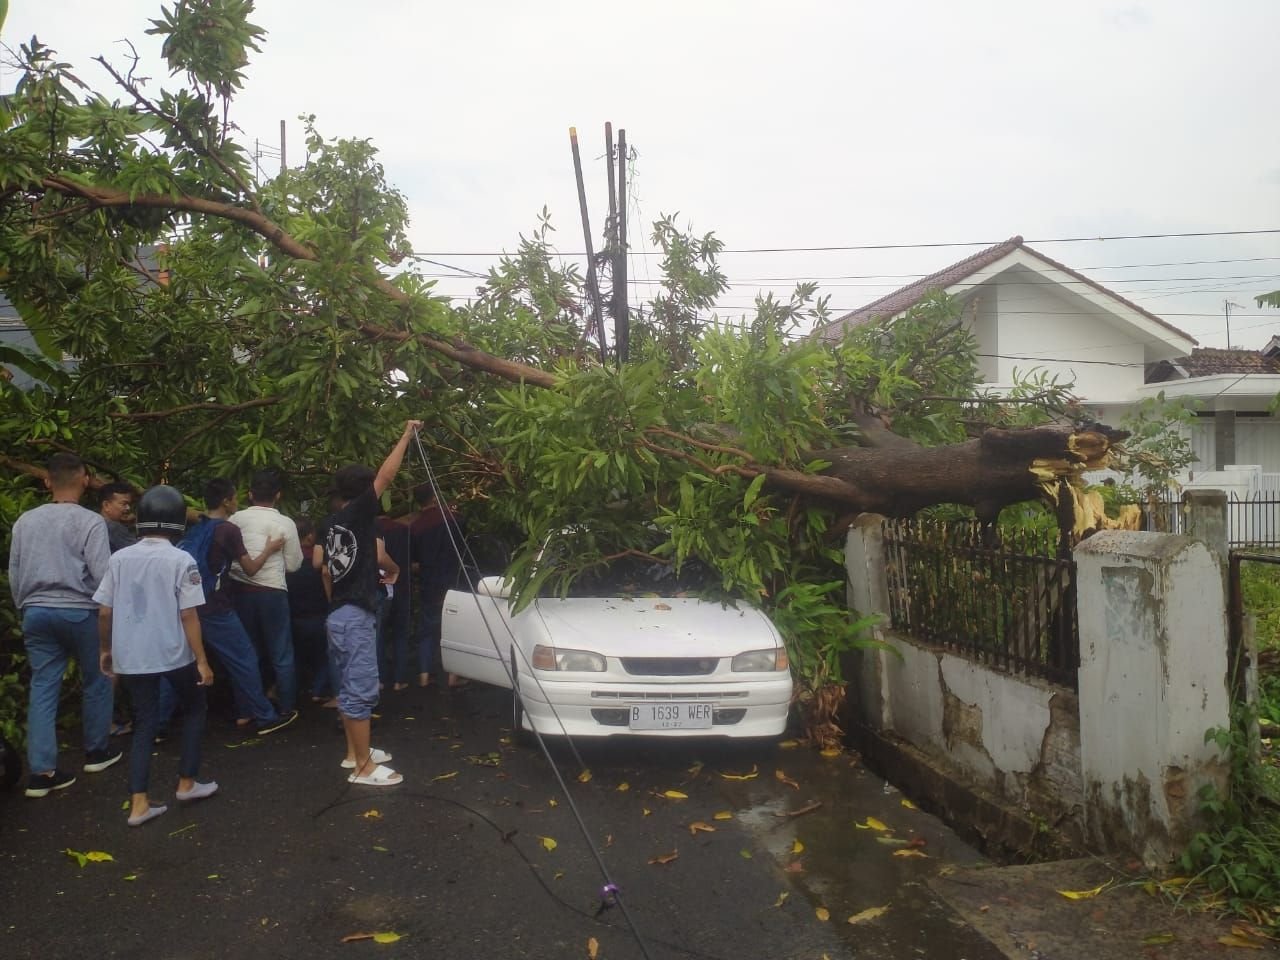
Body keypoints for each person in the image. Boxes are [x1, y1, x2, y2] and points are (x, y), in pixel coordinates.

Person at [95, 485, 217, 827]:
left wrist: (106, 649)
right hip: (174, 655)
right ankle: (187, 783)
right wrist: (203, 661)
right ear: (179, 521)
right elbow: (188, 615)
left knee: (145, 724)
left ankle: (138, 805)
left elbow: (104, 612)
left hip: (131, 657)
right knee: (195, 707)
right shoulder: (181, 560)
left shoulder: (119, 558)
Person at [8, 452, 121, 797]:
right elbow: (103, 573)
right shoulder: (89, 522)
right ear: (85, 481)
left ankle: (42, 774)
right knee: (98, 676)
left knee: (43, 686)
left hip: (35, 612)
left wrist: (24, 606)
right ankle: (96, 752)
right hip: (79, 611)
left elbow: (14, 571)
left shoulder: (25, 521)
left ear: (47, 482)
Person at [318, 419, 421, 786]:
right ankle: (363, 767)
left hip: (339, 615)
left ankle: (353, 754)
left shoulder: (331, 522)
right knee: (361, 690)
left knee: (348, 688)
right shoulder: (360, 514)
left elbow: (327, 571)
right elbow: (387, 475)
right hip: (354, 617)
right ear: (364, 495)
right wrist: (406, 435)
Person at [185, 477, 296, 736]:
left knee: (184, 658)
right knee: (246, 657)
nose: (237, 501)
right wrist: (269, 549)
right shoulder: (229, 529)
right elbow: (251, 568)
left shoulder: (201, 526)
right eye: (234, 498)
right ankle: (268, 715)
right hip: (218, 605)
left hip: (192, 604)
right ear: (226, 501)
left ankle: (160, 723)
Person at [229, 469, 304, 716]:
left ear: (250, 494)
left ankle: (246, 709)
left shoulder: (235, 520)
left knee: (246, 651)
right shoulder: (285, 523)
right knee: (281, 653)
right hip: (273, 592)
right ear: (278, 496)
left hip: (240, 591)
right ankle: (286, 707)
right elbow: (293, 564)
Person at [407, 483, 466, 689]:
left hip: (428, 583)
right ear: (434, 498)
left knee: (427, 629)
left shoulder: (415, 527)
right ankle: (453, 676)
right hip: (452, 580)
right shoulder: (452, 519)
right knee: (453, 629)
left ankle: (424, 674)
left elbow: (413, 560)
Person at [287, 518, 334, 704]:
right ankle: (318, 689)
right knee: (324, 655)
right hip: (319, 614)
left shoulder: (288, 560)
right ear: (308, 537)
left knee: (297, 656)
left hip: (295, 616)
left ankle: (292, 691)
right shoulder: (317, 559)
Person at [375, 514, 412, 691]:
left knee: (379, 635)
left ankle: (380, 678)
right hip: (401, 586)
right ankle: (400, 679)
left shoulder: (369, 530)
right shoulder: (402, 530)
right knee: (400, 634)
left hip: (379, 587)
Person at [98, 481, 138, 554]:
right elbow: (138, 551)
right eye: (124, 504)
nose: (128, 508)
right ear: (106, 505)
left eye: (129, 504)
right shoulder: (114, 528)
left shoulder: (93, 523)